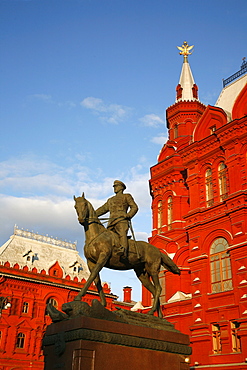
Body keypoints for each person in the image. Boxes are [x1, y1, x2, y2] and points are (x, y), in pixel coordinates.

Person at [95, 180, 138, 258]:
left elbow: (134, 207)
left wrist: (128, 215)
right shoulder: (110, 200)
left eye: (116, 186)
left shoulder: (127, 196)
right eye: (114, 187)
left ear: (121, 188)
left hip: (121, 220)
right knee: (106, 236)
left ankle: (123, 250)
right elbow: (102, 209)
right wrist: (92, 214)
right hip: (111, 222)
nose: (115, 188)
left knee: (122, 233)